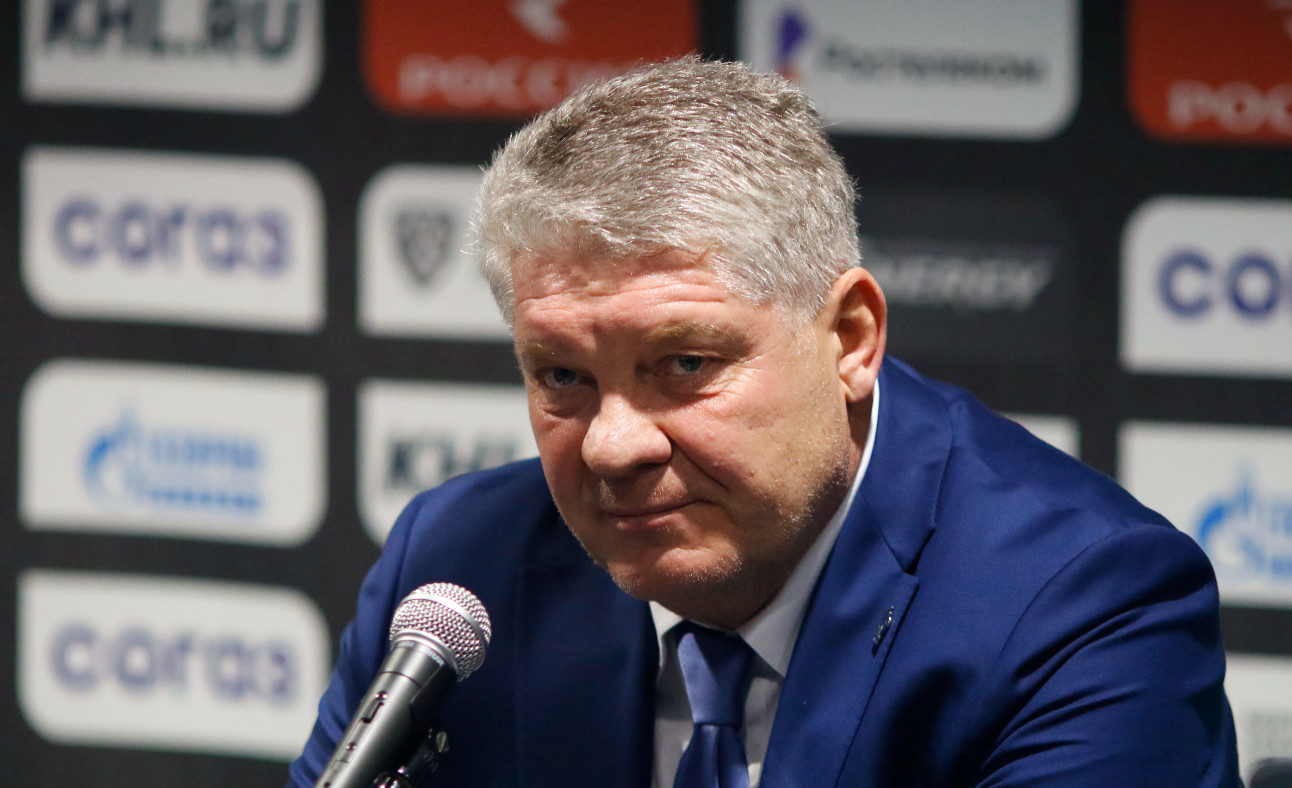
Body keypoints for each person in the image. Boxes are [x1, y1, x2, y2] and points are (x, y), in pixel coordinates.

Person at [289, 57, 1241, 787]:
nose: (614, 447)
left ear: (850, 338)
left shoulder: (1083, 608)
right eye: (563, 377)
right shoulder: (458, 568)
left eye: (685, 365)